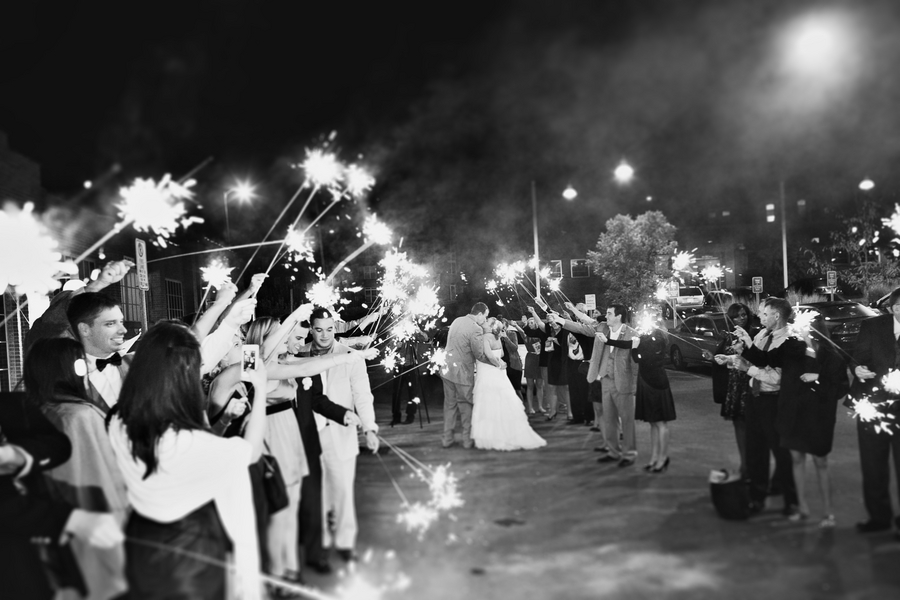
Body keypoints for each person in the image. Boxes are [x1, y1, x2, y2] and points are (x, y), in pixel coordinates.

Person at [108, 321, 266, 599]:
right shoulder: (187, 442)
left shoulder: (119, 420)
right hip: (190, 557)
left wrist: (222, 420)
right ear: (187, 376)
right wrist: (261, 390)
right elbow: (250, 452)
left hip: (141, 543)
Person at [26, 337, 129, 600]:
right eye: (82, 365)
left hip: (56, 535)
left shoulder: (41, 411)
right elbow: (94, 481)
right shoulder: (78, 416)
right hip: (94, 536)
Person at [1, 390, 123, 600]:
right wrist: (70, 519)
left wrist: (17, 455)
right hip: (12, 555)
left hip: (52, 544)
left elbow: (60, 446)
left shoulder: (14, 403)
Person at [295, 307, 379, 562]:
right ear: (311, 328)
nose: (324, 336)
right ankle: (320, 546)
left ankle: (345, 542)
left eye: (329, 329)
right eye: (318, 330)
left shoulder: (351, 356)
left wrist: (369, 427)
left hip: (341, 432)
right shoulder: (298, 353)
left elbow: (362, 396)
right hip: (308, 432)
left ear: (336, 327)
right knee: (313, 493)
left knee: (343, 489)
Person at [286, 324, 361, 575]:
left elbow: (318, 399)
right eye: (297, 338)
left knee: (312, 496)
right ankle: (283, 560)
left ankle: (315, 552)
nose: (303, 341)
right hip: (280, 437)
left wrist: (345, 414)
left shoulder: (307, 364)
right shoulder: (268, 365)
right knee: (284, 502)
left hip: (308, 438)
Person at [763, 317, 848, 526]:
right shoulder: (794, 351)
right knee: (797, 460)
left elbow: (839, 389)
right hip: (794, 415)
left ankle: (828, 513)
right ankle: (802, 508)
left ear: (814, 329)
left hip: (819, 417)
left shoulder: (832, 356)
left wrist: (817, 379)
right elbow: (768, 359)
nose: (797, 330)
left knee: (820, 462)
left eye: (802, 326)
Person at [732, 297, 799, 517]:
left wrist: (747, 368)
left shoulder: (789, 339)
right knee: (755, 452)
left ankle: (792, 500)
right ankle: (757, 497)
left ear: (776, 316)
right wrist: (739, 353)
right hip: (755, 399)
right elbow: (755, 360)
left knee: (781, 452)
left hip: (775, 401)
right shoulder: (762, 334)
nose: (759, 317)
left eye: (763, 313)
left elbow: (777, 377)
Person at [850, 286, 900, 538]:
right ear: (891, 308)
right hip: (874, 406)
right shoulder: (873, 326)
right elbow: (859, 357)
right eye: (899, 308)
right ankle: (878, 517)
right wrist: (858, 369)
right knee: (872, 464)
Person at [471, 318, 547, 451]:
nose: (484, 323)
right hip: (500, 371)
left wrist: (497, 364)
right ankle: (506, 431)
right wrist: (500, 363)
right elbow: (500, 353)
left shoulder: (485, 337)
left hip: (490, 371)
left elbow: (488, 355)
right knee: (502, 399)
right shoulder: (497, 337)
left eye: (487, 322)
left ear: (490, 326)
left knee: (489, 400)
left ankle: (492, 434)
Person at [441, 302, 503, 448]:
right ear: (480, 314)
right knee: (465, 405)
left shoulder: (457, 320)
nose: (485, 320)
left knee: (449, 405)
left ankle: (447, 439)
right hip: (462, 372)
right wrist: (496, 363)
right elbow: (479, 354)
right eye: (485, 316)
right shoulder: (475, 328)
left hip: (446, 369)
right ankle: (467, 440)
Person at [589, 304, 638, 467]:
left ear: (619, 316)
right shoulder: (604, 330)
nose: (606, 316)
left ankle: (629, 454)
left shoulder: (632, 334)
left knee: (627, 419)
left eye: (609, 313)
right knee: (609, 418)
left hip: (623, 381)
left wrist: (635, 384)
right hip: (606, 379)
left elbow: (635, 363)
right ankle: (613, 451)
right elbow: (583, 327)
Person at [711, 303, 756, 480]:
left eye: (744, 314)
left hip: (749, 383)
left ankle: (750, 467)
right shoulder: (728, 336)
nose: (741, 318)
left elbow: (753, 358)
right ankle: (744, 465)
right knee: (738, 425)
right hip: (734, 384)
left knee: (749, 427)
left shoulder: (752, 334)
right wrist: (718, 359)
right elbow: (728, 358)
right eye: (736, 316)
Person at [629, 331, 676, 472]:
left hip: (655, 384)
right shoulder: (655, 341)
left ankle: (662, 458)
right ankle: (655, 458)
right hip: (648, 382)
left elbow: (638, 358)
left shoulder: (656, 342)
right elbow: (639, 357)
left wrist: (635, 346)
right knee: (653, 422)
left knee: (660, 423)